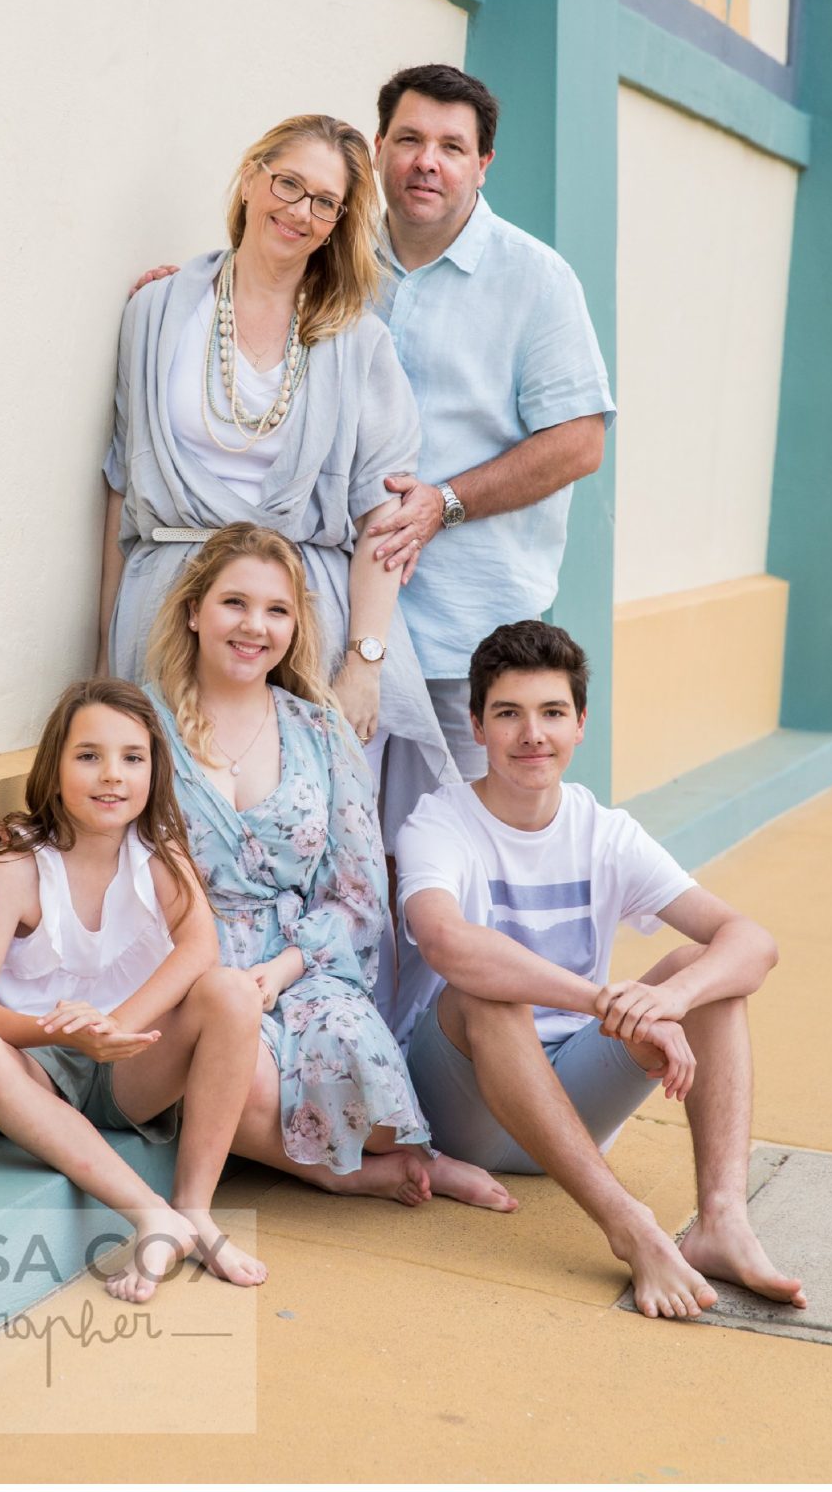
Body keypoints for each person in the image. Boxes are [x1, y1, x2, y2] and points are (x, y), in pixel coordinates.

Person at [392, 619, 807, 1320]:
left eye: (552, 713)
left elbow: (750, 941)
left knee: (711, 975)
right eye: (508, 714)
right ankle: (629, 1226)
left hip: (576, 1107)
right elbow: (444, 943)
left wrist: (666, 1000)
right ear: (476, 726)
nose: (532, 734)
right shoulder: (438, 822)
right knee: (488, 993)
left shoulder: (604, 833)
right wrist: (601, 1002)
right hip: (460, 1104)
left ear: (580, 723)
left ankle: (721, 1221)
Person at [144, 520, 516, 1213]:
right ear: (193, 611)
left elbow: (353, 899)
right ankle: (324, 1171)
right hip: (192, 972)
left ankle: (387, 1153)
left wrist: (286, 968)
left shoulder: (318, 731)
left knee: (372, 1108)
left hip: (301, 964)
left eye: (276, 610)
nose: (254, 626)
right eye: (234, 603)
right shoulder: (143, 728)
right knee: (246, 1071)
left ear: (294, 627)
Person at [99, 111, 453, 821]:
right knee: (170, 833)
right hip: (168, 613)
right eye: (288, 184)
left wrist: (364, 664)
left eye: (325, 202)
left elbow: (380, 518)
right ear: (251, 179)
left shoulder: (358, 342)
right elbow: (120, 493)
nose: (299, 212)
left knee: (303, 834)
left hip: (302, 623)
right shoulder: (157, 311)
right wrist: (106, 649)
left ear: (339, 223)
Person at [0, 677, 267, 1303]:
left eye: (132, 758)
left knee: (230, 991)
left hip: (126, 1068)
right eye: (89, 756)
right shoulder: (17, 863)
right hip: (36, 1070)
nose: (112, 775)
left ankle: (193, 1207)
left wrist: (115, 1027)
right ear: (55, 768)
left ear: (154, 770)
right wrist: (67, 1034)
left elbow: (201, 948)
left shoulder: (160, 855)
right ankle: (150, 1214)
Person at [365, 64, 615, 776]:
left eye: (450, 146)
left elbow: (579, 442)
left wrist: (444, 503)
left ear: (482, 165)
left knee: (456, 854)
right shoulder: (336, 261)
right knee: (348, 858)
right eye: (408, 139)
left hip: (463, 631)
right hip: (340, 624)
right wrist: (191, 287)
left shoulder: (535, 279)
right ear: (378, 145)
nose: (425, 161)